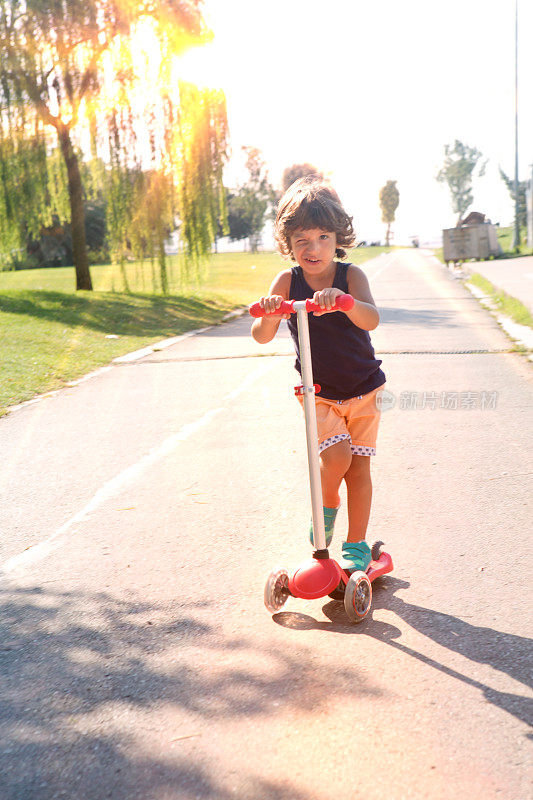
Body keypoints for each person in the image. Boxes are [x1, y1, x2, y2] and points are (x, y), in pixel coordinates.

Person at [251, 177, 386, 572]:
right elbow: (261, 335)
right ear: (288, 243)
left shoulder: (351, 276)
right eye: (302, 240)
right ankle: (326, 509)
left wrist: (345, 303)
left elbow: (372, 319)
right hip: (318, 391)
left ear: (337, 236)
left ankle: (357, 544)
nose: (313, 249)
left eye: (323, 237)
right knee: (337, 456)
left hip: (365, 389)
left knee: (358, 468)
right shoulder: (287, 281)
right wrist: (272, 311)